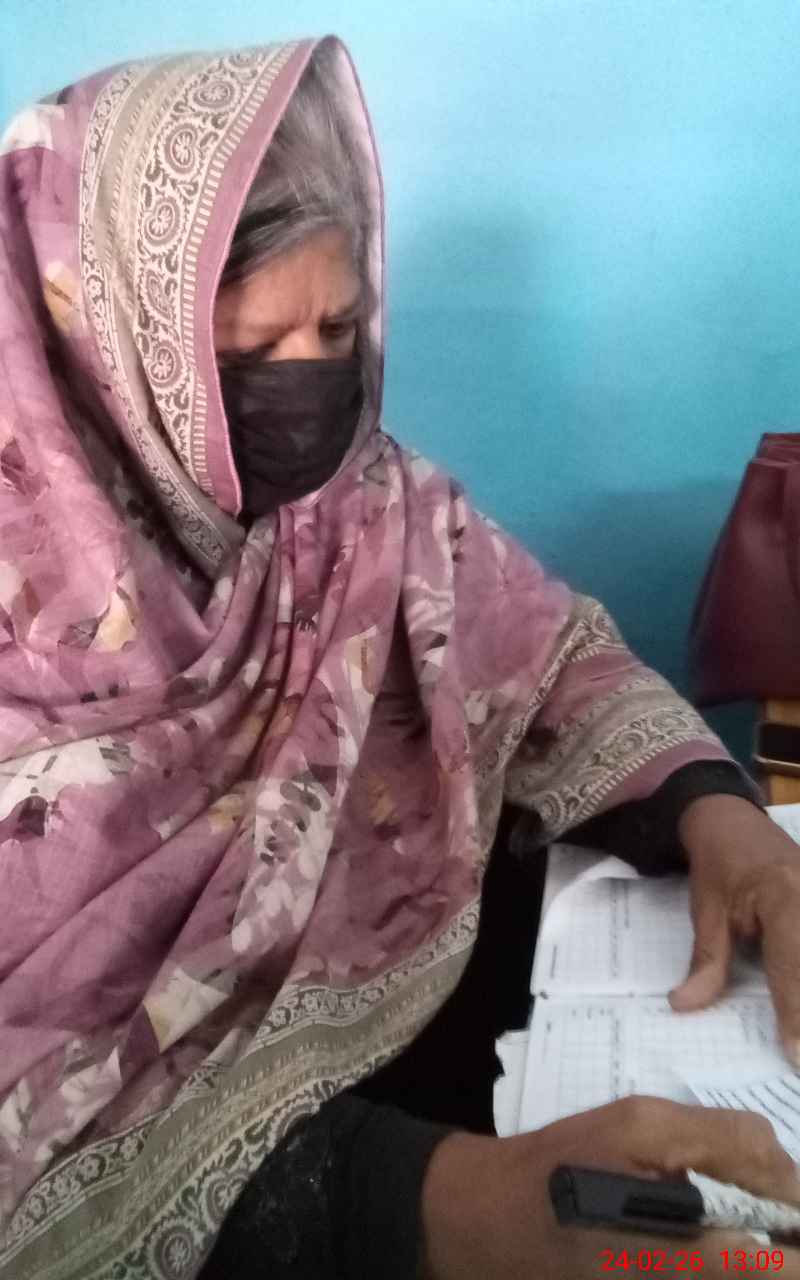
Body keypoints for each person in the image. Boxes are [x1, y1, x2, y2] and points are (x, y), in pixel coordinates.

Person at [1, 35, 799, 1280]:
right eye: (252, 353)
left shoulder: (363, 503)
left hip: (504, 1056)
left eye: (339, 326)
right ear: (111, 359)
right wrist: (427, 1202)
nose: (311, 385)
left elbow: (553, 660)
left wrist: (720, 816)